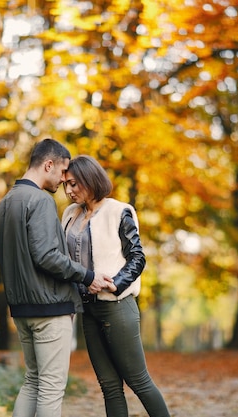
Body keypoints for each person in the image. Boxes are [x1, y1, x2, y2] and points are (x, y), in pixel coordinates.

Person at [0, 139, 114, 417]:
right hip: (49, 308)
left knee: (33, 381)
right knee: (50, 387)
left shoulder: (4, 204)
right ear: (48, 164)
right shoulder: (40, 201)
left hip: (21, 310)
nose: (64, 181)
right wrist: (87, 276)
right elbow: (47, 256)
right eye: (62, 172)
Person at [62, 155, 171, 417]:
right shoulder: (69, 214)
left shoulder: (119, 211)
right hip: (87, 310)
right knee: (109, 386)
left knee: (138, 381)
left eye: (74, 184)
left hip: (118, 308)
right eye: (65, 184)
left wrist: (115, 285)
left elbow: (137, 257)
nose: (68, 190)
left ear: (90, 179)